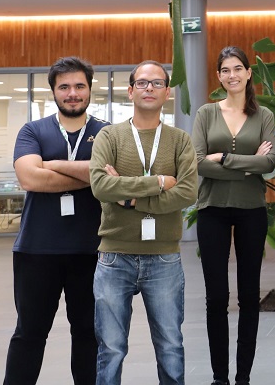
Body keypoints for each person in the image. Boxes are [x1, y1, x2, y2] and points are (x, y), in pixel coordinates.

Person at [89, 60, 199, 385]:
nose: (148, 88)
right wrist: (159, 182)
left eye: (156, 83)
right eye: (142, 83)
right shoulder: (109, 136)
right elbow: (99, 186)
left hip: (164, 258)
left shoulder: (180, 140)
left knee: (170, 347)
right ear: (130, 91)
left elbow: (188, 192)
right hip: (114, 257)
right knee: (110, 349)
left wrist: (129, 196)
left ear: (167, 92)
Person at [5, 57, 109, 385]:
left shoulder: (106, 132)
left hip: (93, 252)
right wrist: (92, 174)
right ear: (53, 92)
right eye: (64, 87)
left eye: (79, 86)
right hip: (37, 252)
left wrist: (50, 164)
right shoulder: (33, 130)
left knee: (89, 336)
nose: (72, 93)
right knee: (29, 335)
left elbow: (115, 179)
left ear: (90, 90)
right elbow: (30, 179)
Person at [192, 47, 275, 385]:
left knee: (248, 296)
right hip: (211, 209)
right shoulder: (205, 114)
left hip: (251, 211)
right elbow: (196, 163)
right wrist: (246, 163)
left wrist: (223, 160)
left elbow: (268, 164)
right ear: (219, 76)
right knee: (216, 298)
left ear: (248, 73)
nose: (232, 75)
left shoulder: (263, 115)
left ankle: (243, 377)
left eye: (238, 68)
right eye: (225, 70)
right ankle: (219, 377)